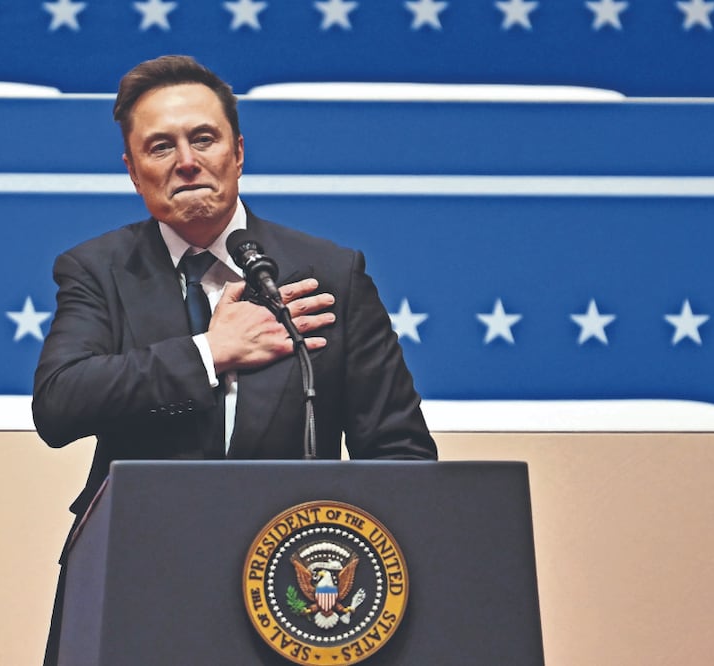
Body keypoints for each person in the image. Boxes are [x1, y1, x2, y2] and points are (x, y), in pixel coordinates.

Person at [32, 54, 436, 664]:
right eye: (160, 146)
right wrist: (208, 353)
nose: (186, 161)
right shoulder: (97, 270)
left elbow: (401, 454)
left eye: (204, 138)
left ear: (238, 152)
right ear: (133, 171)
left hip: (293, 593)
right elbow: (60, 402)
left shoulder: (330, 275)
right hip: (136, 579)